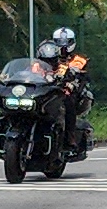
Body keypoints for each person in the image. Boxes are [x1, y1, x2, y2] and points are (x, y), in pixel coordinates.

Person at [40, 25, 93, 158]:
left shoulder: (78, 60)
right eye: (58, 42)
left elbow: (78, 73)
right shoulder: (47, 57)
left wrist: (72, 75)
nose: (62, 45)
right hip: (46, 89)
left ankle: (70, 137)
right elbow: (36, 70)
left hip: (68, 90)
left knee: (68, 102)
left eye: (65, 42)